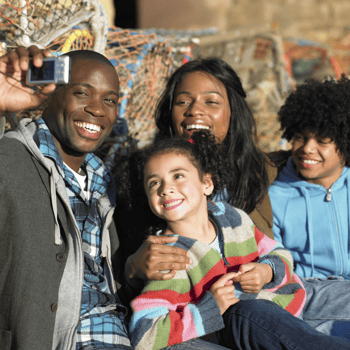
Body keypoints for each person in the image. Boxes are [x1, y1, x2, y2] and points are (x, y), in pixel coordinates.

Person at [117, 131, 350, 350]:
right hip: (238, 325)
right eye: (154, 183)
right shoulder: (169, 255)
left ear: (206, 183)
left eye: (178, 176)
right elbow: (144, 333)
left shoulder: (231, 217)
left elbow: (279, 252)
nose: (166, 189)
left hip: (286, 303)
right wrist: (210, 309)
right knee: (248, 313)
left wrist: (267, 271)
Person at [116, 57, 277, 298]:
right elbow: (121, 270)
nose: (194, 110)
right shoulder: (140, 179)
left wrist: (267, 271)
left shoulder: (258, 172)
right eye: (183, 102)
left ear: (233, 112)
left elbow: (276, 254)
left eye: (211, 101)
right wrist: (133, 268)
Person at [269, 77, 350, 339]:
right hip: (307, 294)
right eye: (300, 137)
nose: (307, 148)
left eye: (323, 140)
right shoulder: (275, 196)